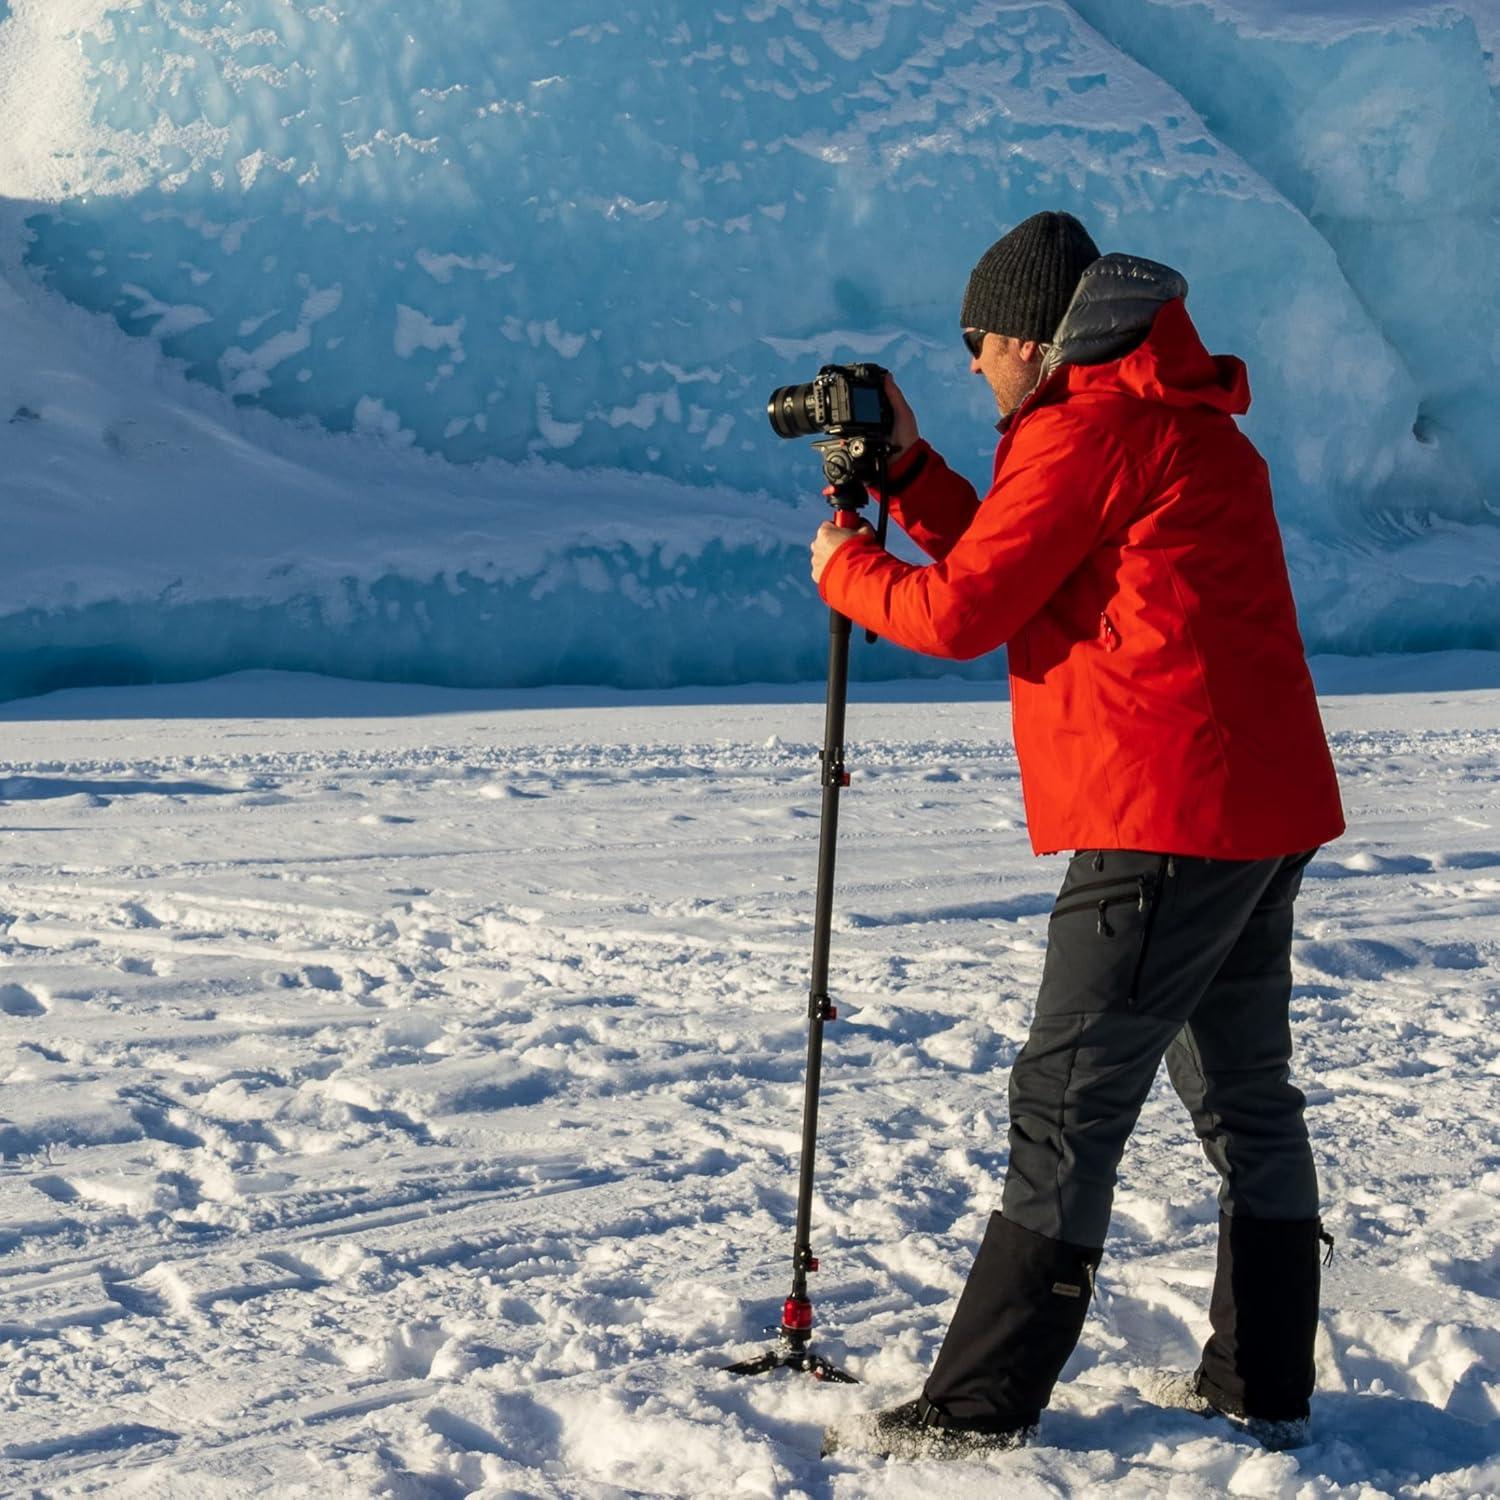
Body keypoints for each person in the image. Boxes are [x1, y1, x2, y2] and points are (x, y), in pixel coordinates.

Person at [811, 211, 1345, 1460]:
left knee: (1064, 1101)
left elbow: (960, 611)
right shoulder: (1169, 419)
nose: (978, 370)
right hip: (1251, 809)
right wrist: (914, 475)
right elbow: (1038, 553)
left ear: (1029, 338)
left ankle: (981, 1407)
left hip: (1165, 810)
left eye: (979, 346)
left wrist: (845, 563)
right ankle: (1263, 1382)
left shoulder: (1091, 429)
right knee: (1246, 1098)